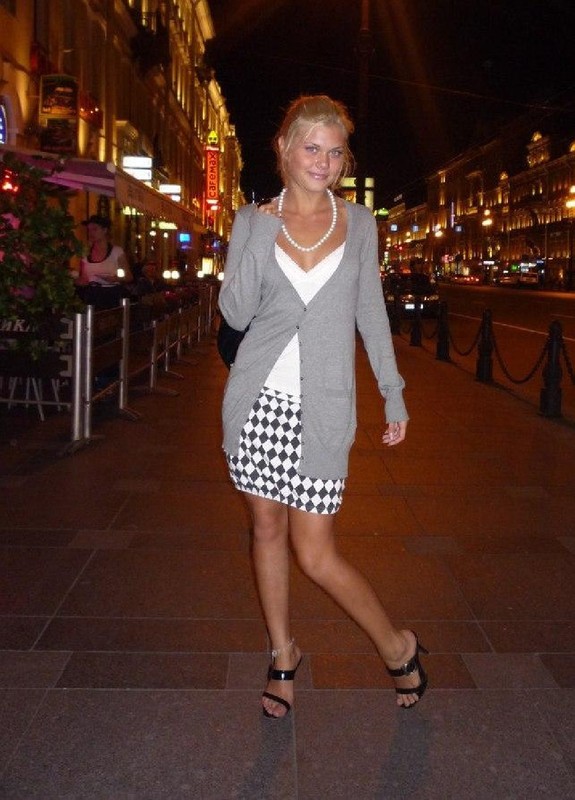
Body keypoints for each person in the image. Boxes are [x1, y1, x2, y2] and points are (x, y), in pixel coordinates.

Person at [218, 95, 428, 719]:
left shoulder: (358, 223)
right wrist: (260, 233)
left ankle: (396, 644)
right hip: (258, 404)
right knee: (265, 529)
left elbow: (371, 313)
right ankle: (283, 655)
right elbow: (235, 311)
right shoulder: (252, 220)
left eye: (335, 152)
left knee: (315, 553)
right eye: (312, 147)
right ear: (284, 148)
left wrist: (392, 391)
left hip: (326, 409)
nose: (324, 162)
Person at [76, 214, 133, 309]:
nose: (91, 233)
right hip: (91, 295)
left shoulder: (116, 251)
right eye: (89, 230)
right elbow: (83, 278)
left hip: (111, 294)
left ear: (105, 230)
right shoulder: (85, 253)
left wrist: (115, 279)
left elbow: (129, 276)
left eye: (95, 229)